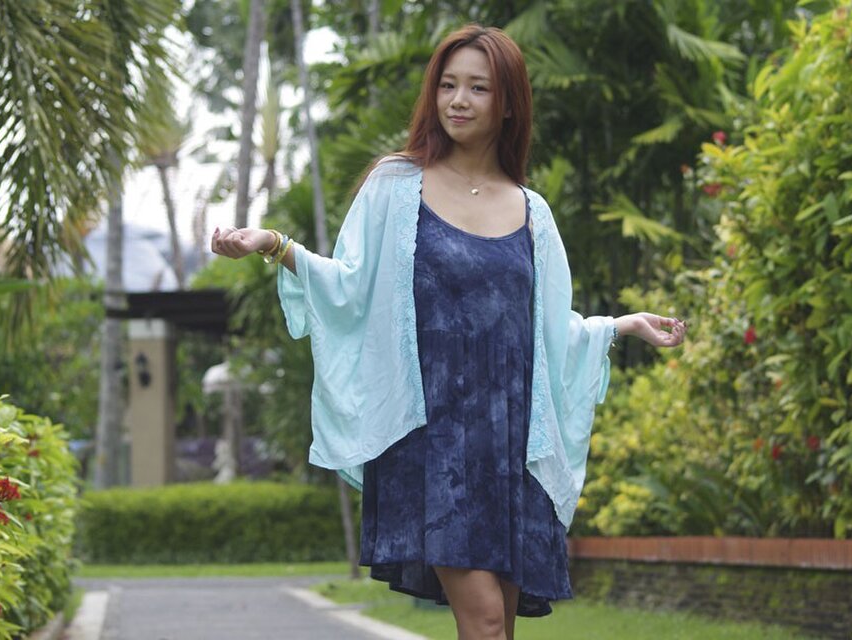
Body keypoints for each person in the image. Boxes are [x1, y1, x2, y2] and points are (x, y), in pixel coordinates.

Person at [212, 24, 686, 640]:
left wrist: (620, 326)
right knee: (485, 623)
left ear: (508, 103)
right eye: (448, 85)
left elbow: (546, 333)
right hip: (431, 440)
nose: (458, 100)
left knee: (498, 628)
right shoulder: (395, 186)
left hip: (509, 445)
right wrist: (272, 243)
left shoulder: (533, 213)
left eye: (478, 88)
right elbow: (351, 286)